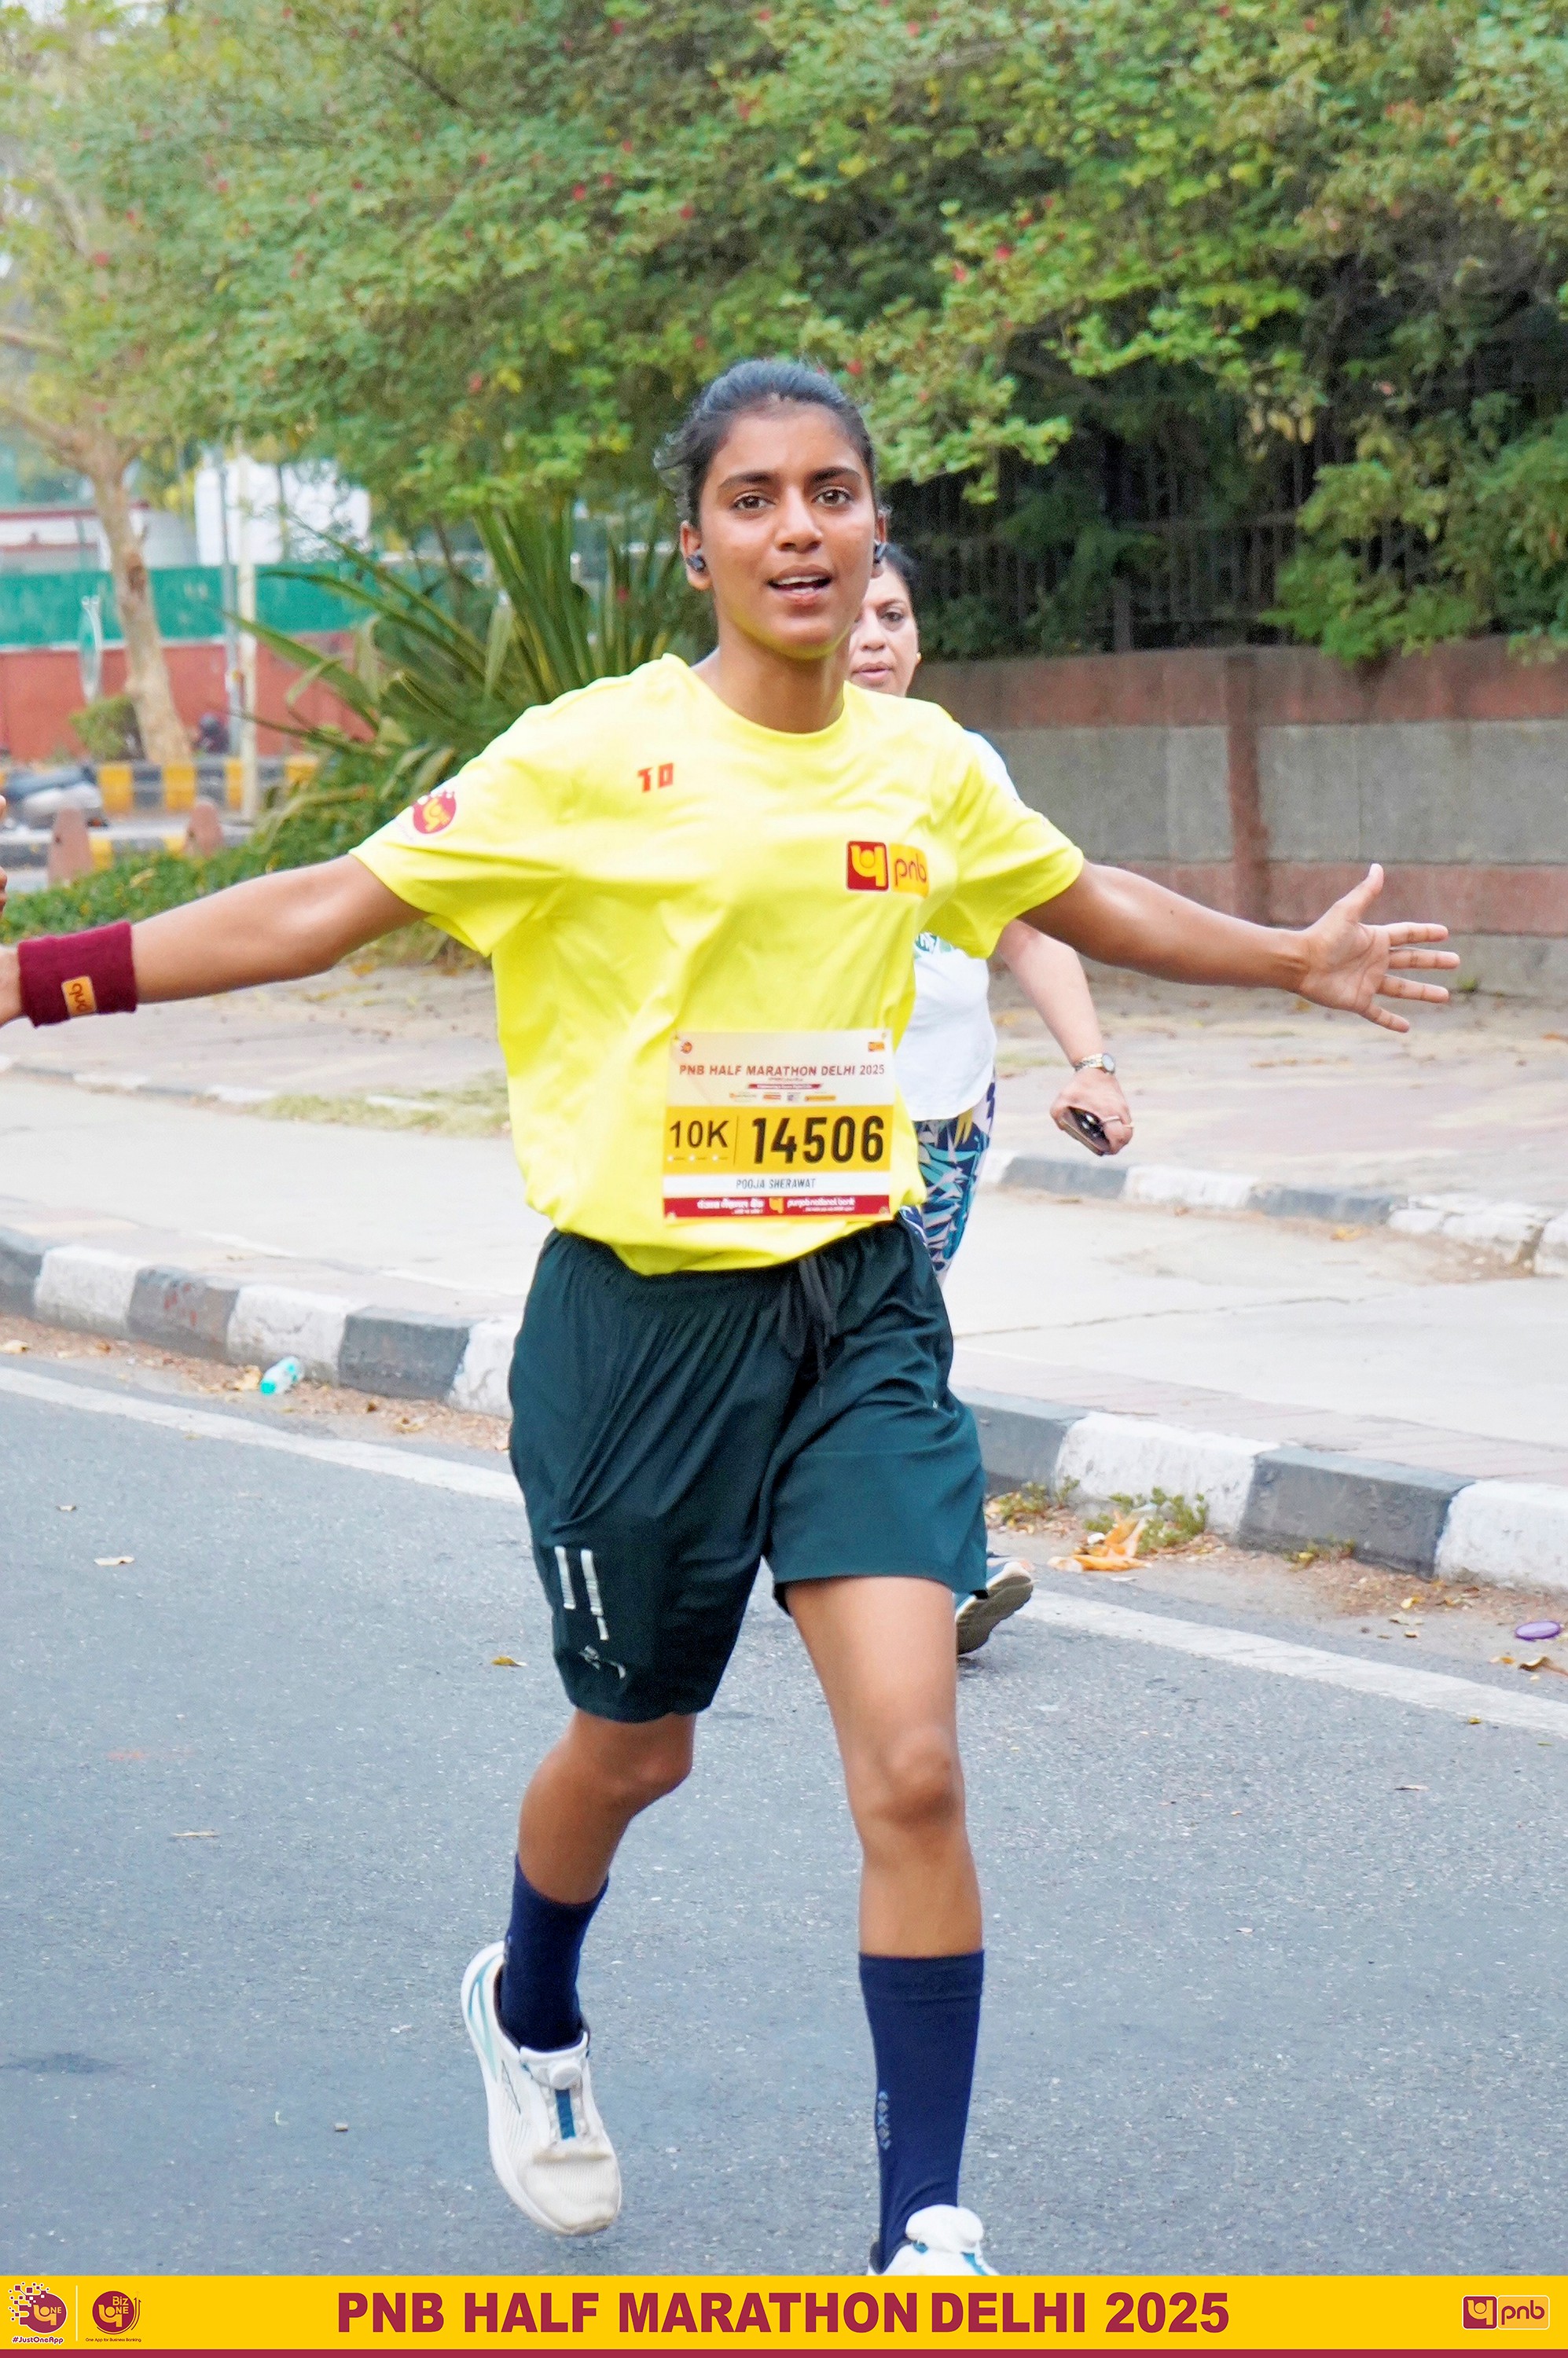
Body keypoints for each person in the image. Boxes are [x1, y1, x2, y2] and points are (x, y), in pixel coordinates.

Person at [0, 359, 1456, 2277]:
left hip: (857, 1308)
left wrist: (1283, 959)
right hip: (637, 1339)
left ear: (871, 527)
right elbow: (320, 909)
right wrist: (36, 977)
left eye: (830, 493)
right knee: (637, 1750)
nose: (796, 530)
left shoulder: (920, 765)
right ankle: (528, 2009)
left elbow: (1070, 891)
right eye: (752, 499)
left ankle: (923, 2232)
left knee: (913, 1761)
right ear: (693, 544)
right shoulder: (583, 755)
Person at [848, 546, 1134, 1657]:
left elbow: (1031, 924)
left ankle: (877, 1551)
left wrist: (1091, 1060)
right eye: (855, 615)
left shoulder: (962, 766)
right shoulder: (773, 765)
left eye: (893, 614)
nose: (873, 637)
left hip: (947, 1115)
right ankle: (939, 1563)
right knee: (892, 1338)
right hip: (819, 1120)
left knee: (891, 1337)